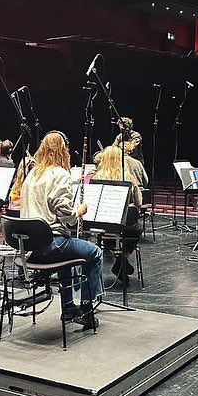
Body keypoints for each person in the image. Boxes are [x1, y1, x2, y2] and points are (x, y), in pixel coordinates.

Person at [20, 131, 104, 328]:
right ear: (63, 149)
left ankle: (68, 308)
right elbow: (65, 214)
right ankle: (87, 309)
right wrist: (79, 211)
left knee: (66, 257)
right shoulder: (60, 174)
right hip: (50, 244)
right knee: (95, 253)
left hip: (29, 249)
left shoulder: (32, 174)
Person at [92, 145, 142, 284]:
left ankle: (118, 260)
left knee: (108, 231)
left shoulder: (96, 177)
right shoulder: (129, 178)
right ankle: (121, 260)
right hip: (123, 226)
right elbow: (138, 204)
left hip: (102, 225)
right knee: (137, 229)